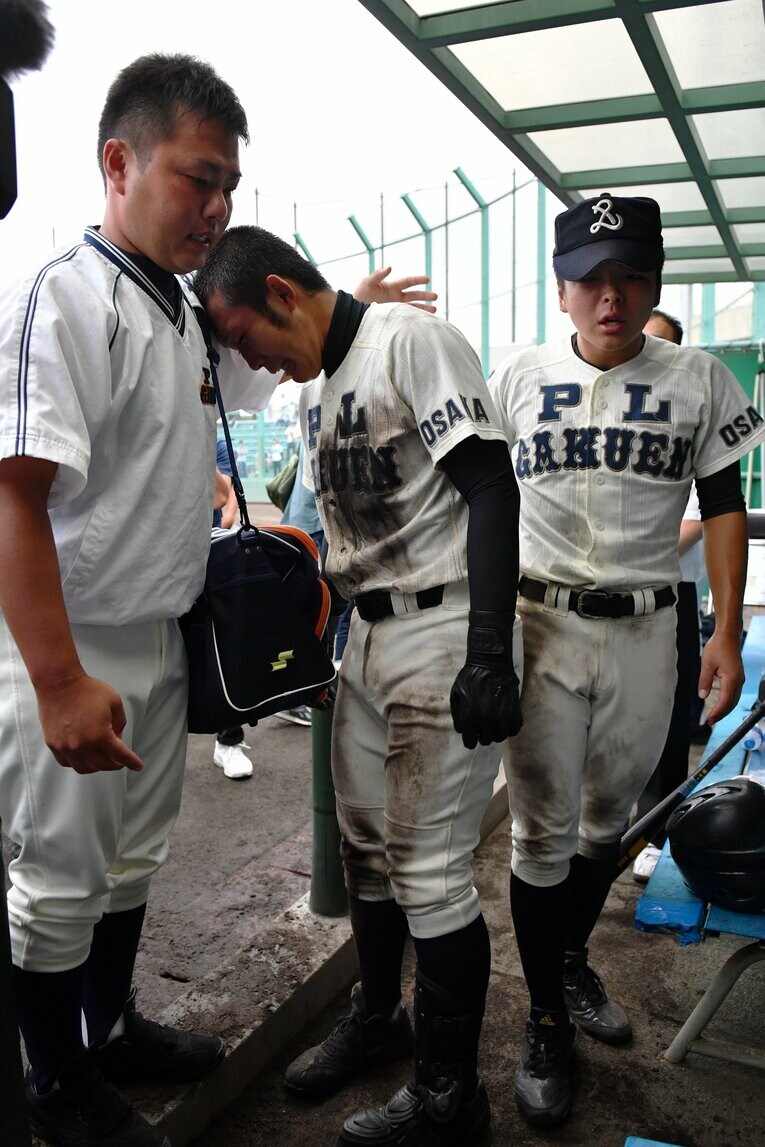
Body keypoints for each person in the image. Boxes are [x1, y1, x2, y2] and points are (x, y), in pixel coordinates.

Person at [0, 52, 436, 1147]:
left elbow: (271, 362)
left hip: (156, 636)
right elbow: (14, 493)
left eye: (228, 187)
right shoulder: (67, 297)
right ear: (119, 162)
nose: (216, 207)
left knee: (130, 856)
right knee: (57, 878)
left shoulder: (186, 316)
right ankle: (54, 1080)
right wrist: (55, 680)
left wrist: (353, 307)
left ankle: (110, 1027)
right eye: (199, 179)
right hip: (73, 641)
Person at [195, 224, 523, 1147]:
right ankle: (382, 1020)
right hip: (368, 636)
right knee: (366, 856)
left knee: (426, 872)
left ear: (280, 292)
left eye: (252, 337)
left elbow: (491, 486)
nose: (254, 359)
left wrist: (489, 648)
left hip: (445, 623)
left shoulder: (409, 343)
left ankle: (454, 1099)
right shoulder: (320, 384)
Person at [488, 193, 764, 1129]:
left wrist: (725, 629)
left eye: (630, 276)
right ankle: (544, 1017)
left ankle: (566, 958)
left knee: (610, 825)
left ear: (652, 281)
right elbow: (476, 503)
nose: (612, 296)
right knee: (536, 834)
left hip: (650, 624)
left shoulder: (695, 376)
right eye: (592, 278)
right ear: (561, 288)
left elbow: (723, 500)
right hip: (541, 621)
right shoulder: (516, 375)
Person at [633, 309, 706, 882]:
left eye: (655, 342)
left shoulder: (685, 414)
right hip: (591, 598)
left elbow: (702, 518)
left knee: (670, 717)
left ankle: (656, 827)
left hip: (670, 594)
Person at [275, 435, 324, 727]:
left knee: (299, 616)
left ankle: (299, 690)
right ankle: (304, 691)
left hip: (298, 528)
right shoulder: (317, 407)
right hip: (312, 530)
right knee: (323, 615)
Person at [212, 438, 254, 779]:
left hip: (206, 547)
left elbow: (223, 499)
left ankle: (229, 741)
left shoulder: (214, 441)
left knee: (222, 645)